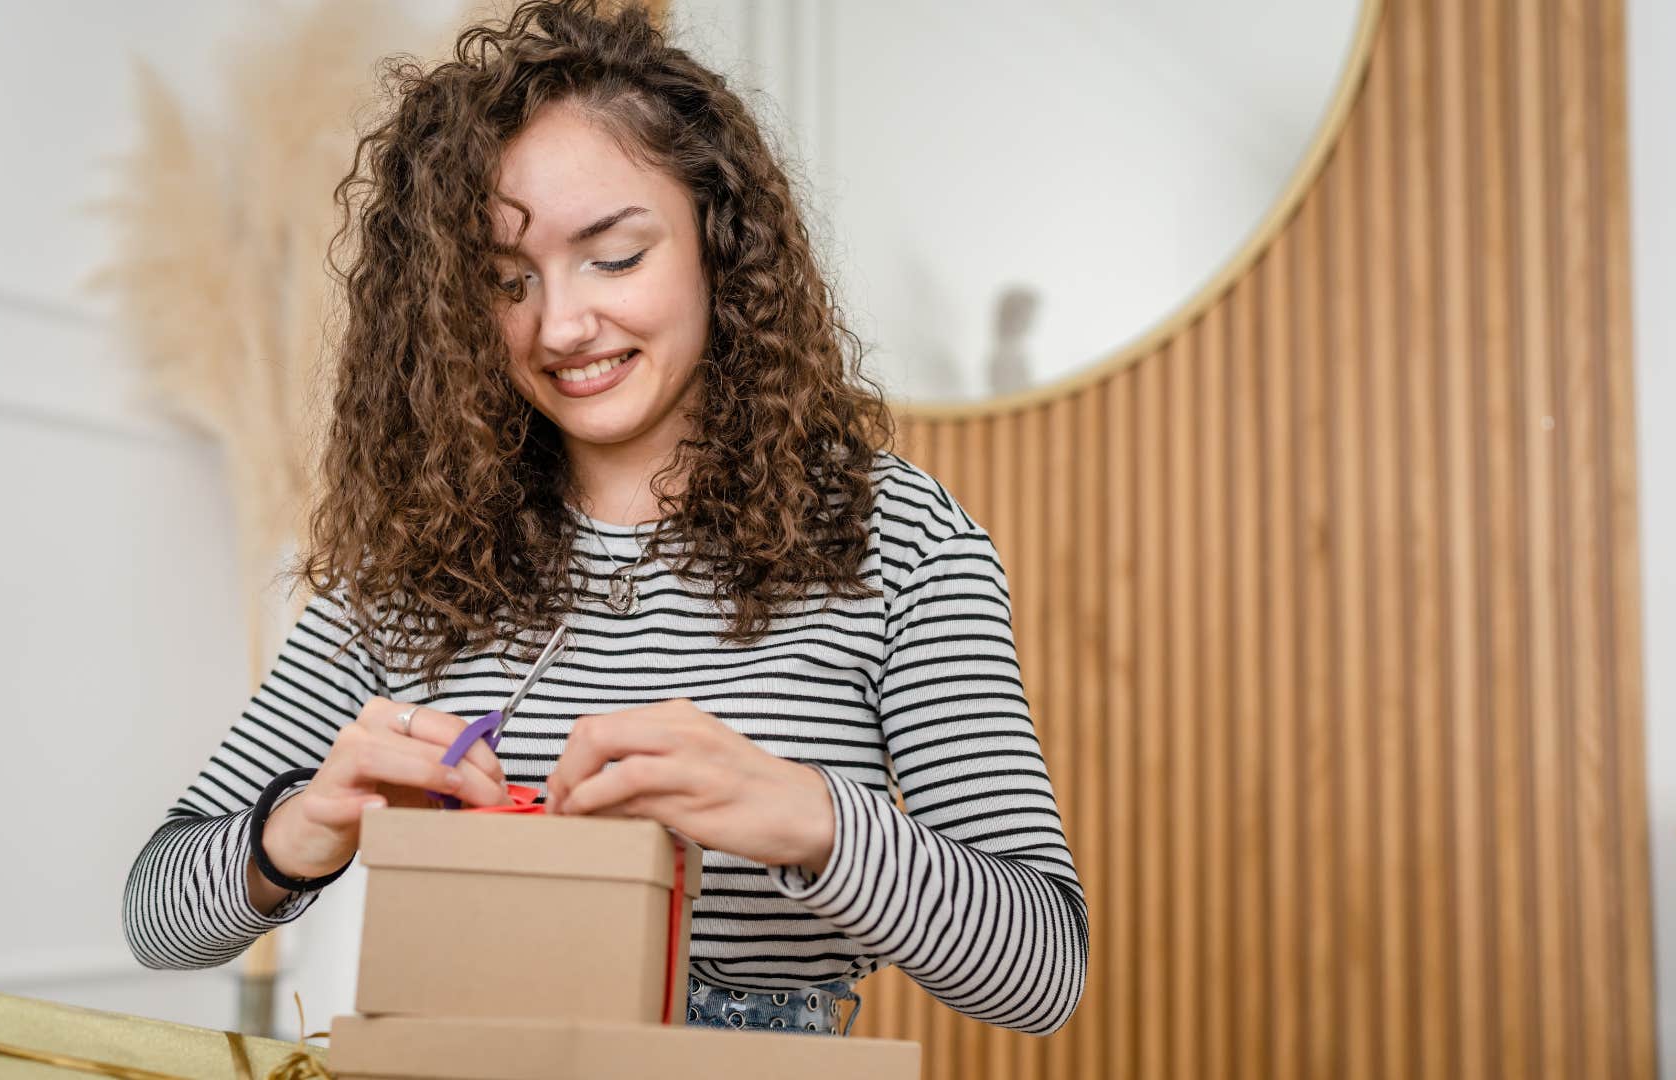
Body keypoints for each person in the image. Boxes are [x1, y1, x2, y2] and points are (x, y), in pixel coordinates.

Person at [122, 0, 1087, 1037]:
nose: (561, 324)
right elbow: (157, 915)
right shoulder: (415, 555)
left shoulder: (893, 537)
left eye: (614, 257)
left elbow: (1040, 972)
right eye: (506, 282)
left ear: (721, 243)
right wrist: (299, 831)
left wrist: (811, 820)